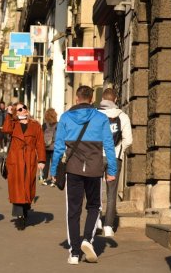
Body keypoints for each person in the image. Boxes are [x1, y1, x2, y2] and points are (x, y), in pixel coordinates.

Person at [51, 86, 117, 264]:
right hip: (95, 169)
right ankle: (87, 239)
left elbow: (58, 147)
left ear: (76, 99)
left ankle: (73, 252)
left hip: (73, 169)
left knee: (73, 210)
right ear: (92, 100)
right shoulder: (101, 118)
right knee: (94, 206)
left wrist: (53, 171)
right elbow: (109, 147)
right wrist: (112, 171)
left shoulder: (65, 117)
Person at [2, 102, 46, 230]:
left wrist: (41, 160)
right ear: (16, 112)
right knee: (17, 188)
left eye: (24, 108)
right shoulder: (13, 124)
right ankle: (19, 216)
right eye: (19, 109)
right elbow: (5, 129)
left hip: (30, 159)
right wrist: (9, 114)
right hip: (15, 160)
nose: (23, 110)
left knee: (28, 186)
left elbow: (40, 143)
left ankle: (26, 209)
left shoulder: (35, 125)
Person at [97, 88, 133, 237]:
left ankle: (96, 220)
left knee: (95, 190)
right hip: (115, 158)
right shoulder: (123, 116)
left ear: (102, 99)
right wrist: (119, 151)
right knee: (112, 193)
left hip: (97, 157)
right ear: (116, 100)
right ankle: (108, 227)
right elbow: (129, 140)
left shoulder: (96, 115)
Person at [41, 108, 58, 186]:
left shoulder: (44, 125)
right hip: (54, 147)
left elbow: (41, 135)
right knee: (54, 163)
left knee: (46, 163)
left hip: (45, 146)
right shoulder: (57, 124)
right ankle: (53, 179)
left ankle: (44, 178)